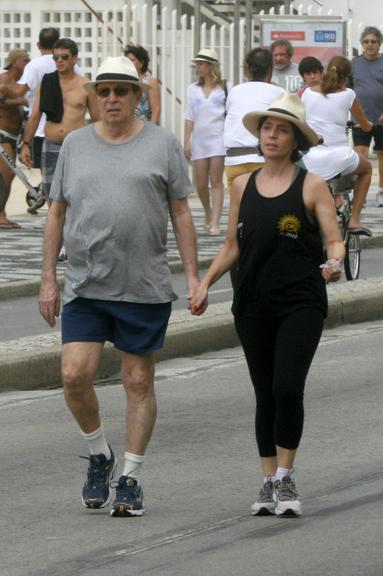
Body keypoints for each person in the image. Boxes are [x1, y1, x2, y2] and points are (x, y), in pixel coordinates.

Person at [38, 56, 199, 518]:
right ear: (93, 97)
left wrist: (191, 277)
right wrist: (48, 279)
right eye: (104, 91)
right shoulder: (75, 144)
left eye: (121, 91)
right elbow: (57, 213)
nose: (111, 99)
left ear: (136, 97)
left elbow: (181, 213)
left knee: (137, 380)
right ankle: (99, 454)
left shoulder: (163, 145)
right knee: (73, 376)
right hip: (86, 283)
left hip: (143, 285)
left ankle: (130, 476)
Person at [191, 92, 345, 517]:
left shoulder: (311, 184)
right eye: (267, 128)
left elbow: (334, 238)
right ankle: (266, 480)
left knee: (287, 387)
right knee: (264, 393)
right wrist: (204, 282)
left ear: (296, 140)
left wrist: (333, 262)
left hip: (300, 302)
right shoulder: (241, 185)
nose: (272, 136)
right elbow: (231, 246)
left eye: (281, 130)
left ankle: (286, 477)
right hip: (253, 302)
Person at [20, 38, 98, 202]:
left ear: (74, 58)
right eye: (56, 57)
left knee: (76, 192)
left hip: (77, 145)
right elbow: (35, 116)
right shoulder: (47, 82)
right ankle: (55, 227)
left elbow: (98, 120)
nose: (60, 61)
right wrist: (26, 144)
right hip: (51, 143)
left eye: (64, 57)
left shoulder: (86, 85)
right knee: (52, 194)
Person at [302, 55, 374, 235]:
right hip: (339, 157)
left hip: (311, 157)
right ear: (346, 77)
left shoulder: (308, 92)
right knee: (366, 169)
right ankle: (354, 219)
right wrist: (369, 126)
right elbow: (365, 126)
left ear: (325, 70)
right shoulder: (348, 95)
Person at [224, 47, 284, 193]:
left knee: (238, 210)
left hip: (234, 161)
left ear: (246, 70)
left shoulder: (235, 91)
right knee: (267, 209)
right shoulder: (279, 93)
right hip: (263, 162)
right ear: (270, 70)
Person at [184, 48, 227, 235]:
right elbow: (189, 116)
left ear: (211, 66)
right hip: (200, 140)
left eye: (201, 64)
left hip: (219, 138)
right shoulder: (192, 89)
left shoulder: (225, 88)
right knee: (200, 184)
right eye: (198, 64)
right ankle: (208, 213)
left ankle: (216, 221)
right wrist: (186, 140)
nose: (198, 67)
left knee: (216, 180)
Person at [351, 26, 383, 207]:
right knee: (360, 155)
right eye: (366, 41)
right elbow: (346, 90)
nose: (370, 45)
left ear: (379, 44)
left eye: (373, 41)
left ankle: (381, 192)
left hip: (381, 119)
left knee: (382, 155)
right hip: (360, 120)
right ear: (362, 44)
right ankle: (359, 193)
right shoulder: (354, 63)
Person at [0, 48, 30, 228]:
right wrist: (20, 102)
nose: (28, 63)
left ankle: (2, 213)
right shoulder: (4, 81)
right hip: (2, 134)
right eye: (25, 61)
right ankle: (1, 215)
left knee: (8, 175)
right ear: (15, 62)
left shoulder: (20, 82)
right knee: (7, 174)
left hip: (13, 135)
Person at [124, 44, 161, 124]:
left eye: (132, 60)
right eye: (127, 61)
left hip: (145, 128)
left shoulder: (150, 81)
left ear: (141, 63)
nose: (129, 63)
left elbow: (156, 110)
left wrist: (151, 131)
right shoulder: (124, 81)